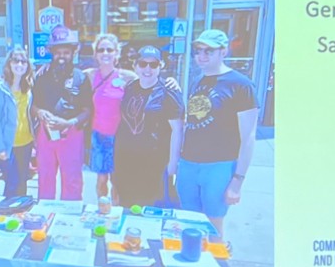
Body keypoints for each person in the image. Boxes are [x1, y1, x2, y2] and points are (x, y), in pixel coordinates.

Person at [169, 26, 261, 226]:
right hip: (189, 164)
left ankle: (218, 257)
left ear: (223, 51)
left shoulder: (241, 85)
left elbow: (248, 137)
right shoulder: (197, 81)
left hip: (219, 167)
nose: (201, 56)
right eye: (199, 51)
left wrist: (237, 181)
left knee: (213, 226)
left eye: (208, 51)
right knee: (189, 223)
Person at [112, 44, 180, 208]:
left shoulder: (168, 92)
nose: (147, 69)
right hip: (125, 160)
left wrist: (173, 164)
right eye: (143, 64)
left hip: (153, 164)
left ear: (160, 66)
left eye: (153, 64)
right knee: (126, 205)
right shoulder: (129, 87)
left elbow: (177, 130)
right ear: (135, 66)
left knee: (151, 210)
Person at [32, 25, 92, 201]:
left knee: (72, 180)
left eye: (66, 52)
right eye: (58, 52)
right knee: (45, 178)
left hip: (72, 134)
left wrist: (70, 122)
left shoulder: (81, 77)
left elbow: (87, 111)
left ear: (73, 53)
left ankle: (69, 219)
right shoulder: (41, 76)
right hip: (46, 133)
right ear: (51, 52)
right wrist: (40, 112)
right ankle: (44, 215)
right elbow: (33, 105)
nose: (61, 57)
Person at [0, 42, 35, 197]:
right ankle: (6, 215)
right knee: (12, 182)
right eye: (15, 61)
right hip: (6, 145)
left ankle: (19, 214)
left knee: (22, 182)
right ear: (9, 64)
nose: (20, 64)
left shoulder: (28, 87)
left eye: (23, 61)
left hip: (25, 142)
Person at [84, 32, 132, 202]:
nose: (105, 53)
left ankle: (116, 213)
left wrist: (172, 82)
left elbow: (151, 82)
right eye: (101, 49)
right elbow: (66, 79)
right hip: (99, 136)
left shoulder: (127, 77)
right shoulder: (90, 75)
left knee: (117, 181)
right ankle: (102, 210)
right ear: (95, 54)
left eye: (109, 50)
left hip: (120, 137)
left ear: (116, 54)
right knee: (102, 179)